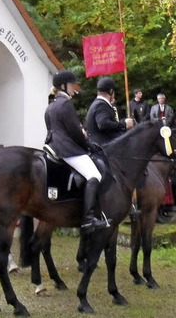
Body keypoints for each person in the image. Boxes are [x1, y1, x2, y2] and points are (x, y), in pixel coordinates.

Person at [44, 70, 110, 231]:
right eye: (72, 85)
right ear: (63, 86)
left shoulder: (51, 104)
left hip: (52, 146)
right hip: (67, 149)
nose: (74, 88)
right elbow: (74, 132)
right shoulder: (65, 104)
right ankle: (88, 219)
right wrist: (88, 145)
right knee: (94, 175)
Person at [85, 77, 135, 145]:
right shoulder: (101, 104)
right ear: (111, 91)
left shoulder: (98, 103)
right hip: (104, 148)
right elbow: (103, 124)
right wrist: (124, 124)